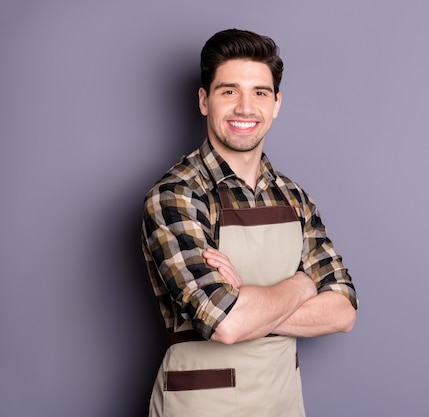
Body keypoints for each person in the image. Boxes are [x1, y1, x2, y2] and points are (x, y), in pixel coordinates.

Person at [141, 28, 358, 417]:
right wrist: (304, 282)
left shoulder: (294, 197)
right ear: (204, 101)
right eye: (229, 91)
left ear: (276, 104)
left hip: (282, 403)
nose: (245, 107)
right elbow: (225, 324)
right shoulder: (177, 195)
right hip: (199, 406)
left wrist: (247, 299)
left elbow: (342, 312)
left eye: (259, 92)